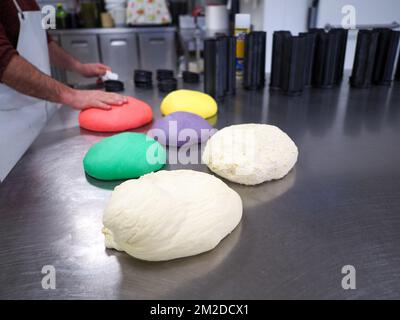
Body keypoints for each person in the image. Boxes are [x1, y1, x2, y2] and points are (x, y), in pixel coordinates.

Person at [0, 0, 127, 110]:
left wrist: (80, 67)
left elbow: (44, 42)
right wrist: (72, 95)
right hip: (13, 117)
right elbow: (3, 60)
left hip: (42, 106)